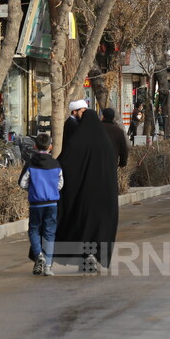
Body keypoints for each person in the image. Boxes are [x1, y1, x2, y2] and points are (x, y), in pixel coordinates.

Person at [55, 108, 120, 273]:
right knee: (100, 226)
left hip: (85, 195)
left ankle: (85, 256)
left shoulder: (77, 141)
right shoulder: (105, 143)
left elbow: (65, 164)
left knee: (83, 224)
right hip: (104, 195)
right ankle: (96, 255)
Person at [21, 133, 63, 277]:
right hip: (52, 203)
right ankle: (48, 266)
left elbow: (22, 183)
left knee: (34, 230)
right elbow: (60, 184)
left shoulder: (31, 163)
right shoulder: (55, 163)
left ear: (35, 146)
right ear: (50, 147)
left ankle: (38, 254)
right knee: (49, 233)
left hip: (36, 203)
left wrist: (33, 189)